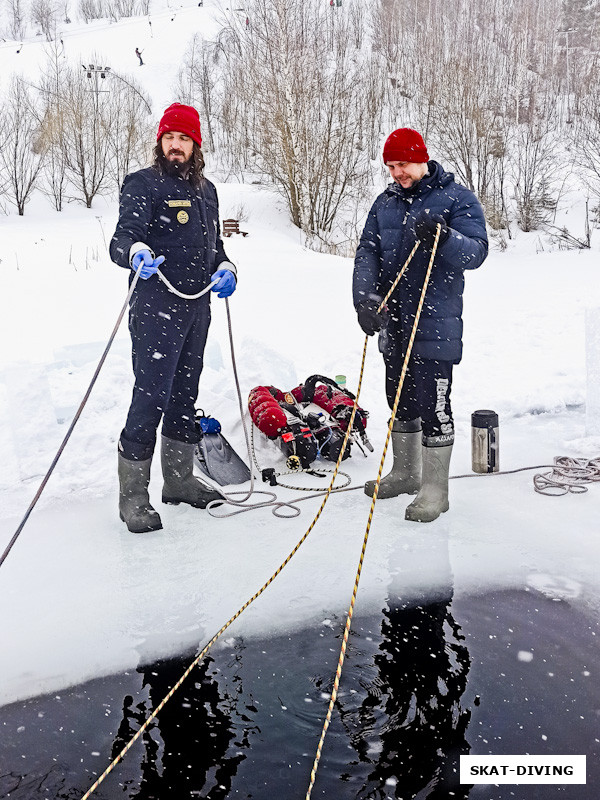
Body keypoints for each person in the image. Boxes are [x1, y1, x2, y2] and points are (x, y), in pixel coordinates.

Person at [110, 103, 237, 534]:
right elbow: (122, 238)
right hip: (155, 307)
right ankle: (133, 496)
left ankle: (179, 481)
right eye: (169, 138)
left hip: (197, 308)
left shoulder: (208, 192)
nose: (175, 146)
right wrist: (135, 252)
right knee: (151, 396)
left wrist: (227, 268)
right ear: (160, 142)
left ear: (196, 144)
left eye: (183, 139)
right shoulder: (142, 184)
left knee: (185, 395)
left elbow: (214, 247)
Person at [353, 127, 488, 522]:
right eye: (391, 166)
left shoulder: (456, 198)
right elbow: (367, 253)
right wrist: (366, 301)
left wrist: (444, 238)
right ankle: (406, 473)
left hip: (436, 321)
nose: (397, 172)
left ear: (422, 159)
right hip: (394, 322)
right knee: (399, 399)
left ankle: (434, 490)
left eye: (403, 164)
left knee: (434, 405)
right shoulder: (384, 204)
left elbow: (476, 252)